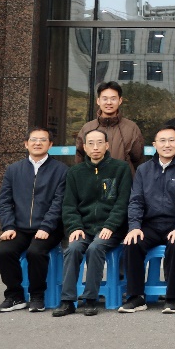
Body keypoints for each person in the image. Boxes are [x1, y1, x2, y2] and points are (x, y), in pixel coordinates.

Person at [119, 126, 175, 314]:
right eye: (162, 141)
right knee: (132, 242)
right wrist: (134, 226)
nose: (167, 145)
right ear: (154, 145)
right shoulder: (143, 169)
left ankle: (171, 298)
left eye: (172, 140)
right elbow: (136, 200)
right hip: (150, 225)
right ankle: (136, 297)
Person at [53, 129, 133, 316]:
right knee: (72, 249)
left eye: (100, 143)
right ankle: (67, 301)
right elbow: (69, 205)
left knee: (96, 248)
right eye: (91, 143)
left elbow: (123, 203)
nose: (95, 147)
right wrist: (75, 227)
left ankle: (90, 299)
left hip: (112, 228)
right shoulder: (75, 172)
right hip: (84, 227)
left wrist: (110, 225)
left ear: (107, 145)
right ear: (84, 147)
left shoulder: (120, 169)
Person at [0, 127, 68, 313]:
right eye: (34, 140)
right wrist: (8, 226)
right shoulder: (13, 170)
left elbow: (59, 203)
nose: (38, 143)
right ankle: (14, 296)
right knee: (4, 252)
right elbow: (4, 201)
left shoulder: (61, 170)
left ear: (50, 145)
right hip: (19, 228)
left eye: (43, 140)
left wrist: (46, 227)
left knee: (36, 252)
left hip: (49, 228)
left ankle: (37, 295)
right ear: (26, 144)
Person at [76, 81, 144, 167]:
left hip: (123, 175)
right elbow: (80, 158)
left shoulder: (131, 128)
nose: (109, 102)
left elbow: (138, 159)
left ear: (120, 100)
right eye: (105, 99)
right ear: (98, 101)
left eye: (113, 99)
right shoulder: (87, 128)